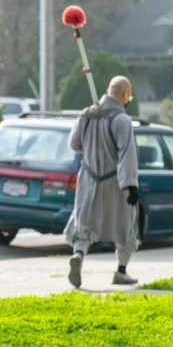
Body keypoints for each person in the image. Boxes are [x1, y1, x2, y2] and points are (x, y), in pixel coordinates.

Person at [64, 75, 140, 289]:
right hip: (114, 181)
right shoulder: (122, 120)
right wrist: (130, 185)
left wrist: (92, 136)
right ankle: (121, 271)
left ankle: (78, 254)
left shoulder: (86, 114)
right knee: (126, 224)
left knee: (84, 223)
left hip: (88, 179)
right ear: (125, 95)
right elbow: (127, 154)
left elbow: (74, 144)